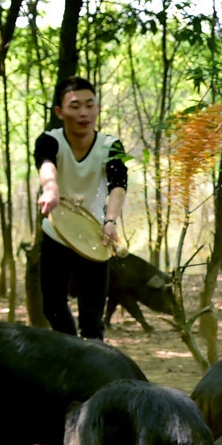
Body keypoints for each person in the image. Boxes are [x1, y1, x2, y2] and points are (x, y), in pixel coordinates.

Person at [36, 76, 128, 340]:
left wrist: (110, 220)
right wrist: (51, 188)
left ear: (98, 108)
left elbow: (118, 185)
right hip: (57, 233)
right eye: (75, 106)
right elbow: (46, 164)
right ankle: (70, 351)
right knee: (53, 307)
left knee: (92, 316)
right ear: (59, 112)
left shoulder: (111, 146)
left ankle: (93, 365)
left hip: (96, 236)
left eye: (90, 105)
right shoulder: (49, 140)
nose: (84, 112)